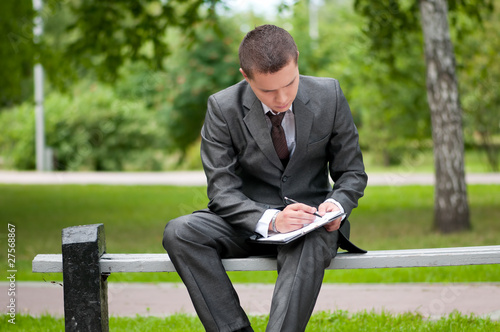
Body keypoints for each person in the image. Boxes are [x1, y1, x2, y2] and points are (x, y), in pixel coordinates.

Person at [163, 24, 367, 332]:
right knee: (180, 232)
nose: (282, 98)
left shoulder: (330, 95)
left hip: (310, 225)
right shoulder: (222, 108)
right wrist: (271, 220)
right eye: (268, 91)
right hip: (248, 222)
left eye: (290, 83)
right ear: (246, 76)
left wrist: (336, 205)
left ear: (296, 61)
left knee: (310, 240)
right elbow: (222, 192)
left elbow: (351, 172)